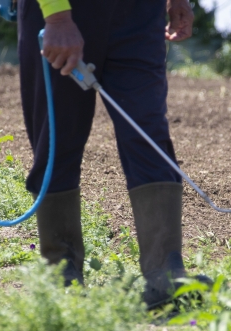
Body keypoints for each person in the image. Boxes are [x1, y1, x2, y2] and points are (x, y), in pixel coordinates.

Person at [17, 0, 195, 308]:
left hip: (140, 13)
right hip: (66, 11)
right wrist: (57, 17)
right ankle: (63, 277)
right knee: (58, 135)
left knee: (148, 130)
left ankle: (165, 274)